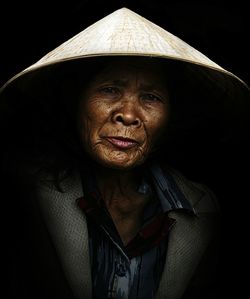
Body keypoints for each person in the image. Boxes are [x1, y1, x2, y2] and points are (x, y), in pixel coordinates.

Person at [1, 7, 249, 299]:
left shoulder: (201, 210)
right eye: (109, 90)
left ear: (170, 116)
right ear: (77, 101)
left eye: (150, 97)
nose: (129, 115)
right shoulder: (24, 196)